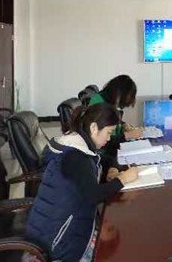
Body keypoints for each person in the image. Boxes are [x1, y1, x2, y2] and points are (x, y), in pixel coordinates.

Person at [25, 103, 139, 262]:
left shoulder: (76, 145)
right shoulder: (75, 156)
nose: (109, 138)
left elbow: (102, 161)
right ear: (94, 128)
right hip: (56, 243)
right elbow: (93, 196)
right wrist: (123, 179)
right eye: (108, 133)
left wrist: (112, 169)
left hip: (54, 228)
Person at [89, 75, 142, 144]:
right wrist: (127, 135)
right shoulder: (98, 104)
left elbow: (111, 122)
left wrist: (123, 125)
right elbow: (102, 141)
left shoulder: (110, 102)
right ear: (118, 95)